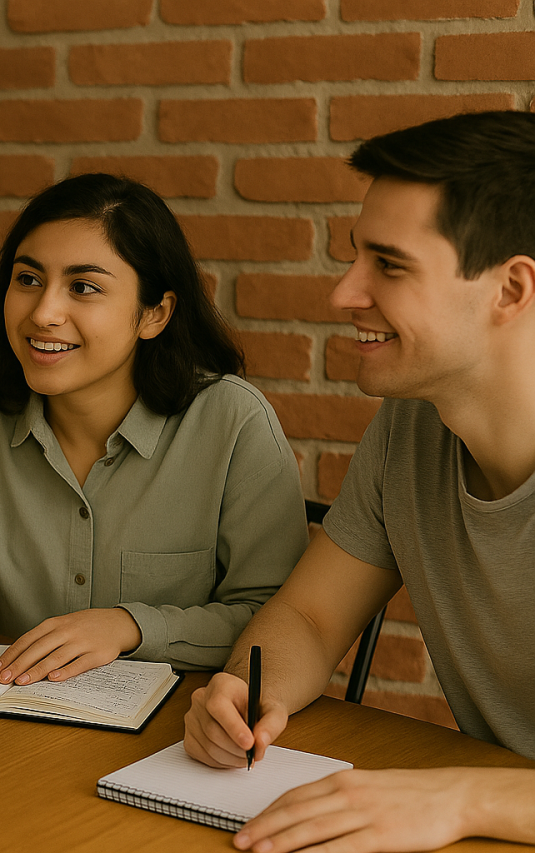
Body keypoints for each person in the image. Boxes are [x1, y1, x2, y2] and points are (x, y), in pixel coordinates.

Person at [183, 110, 535, 852]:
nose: (344, 294)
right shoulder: (412, 428)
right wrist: (252, 691)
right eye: (355, 258)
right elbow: (309, 618)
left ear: (510, 289)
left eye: (390, 264)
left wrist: (463, 796)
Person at [0, 173, 308, 684]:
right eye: (27, 279)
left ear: (155, 314)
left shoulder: (233, 422)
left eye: (83, 287)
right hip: (26, 725)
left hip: (189, 734)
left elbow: (278, 625)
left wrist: (130, 627)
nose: (44, 312)